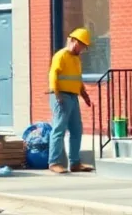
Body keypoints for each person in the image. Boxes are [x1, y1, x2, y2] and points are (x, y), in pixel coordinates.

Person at [47, 27, 94, 174]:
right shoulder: (61, 56)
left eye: (84, 47)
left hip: (73, 96)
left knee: (76, 129)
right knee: (59, 129)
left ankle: (75, 163)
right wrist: (57, 94)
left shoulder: (76, 59)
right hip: (61, 96)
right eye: (81, 46)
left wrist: (84, 94)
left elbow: (77, 79)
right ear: (74, 41)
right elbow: (53, 75)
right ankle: (54, 162)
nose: (82, 49)